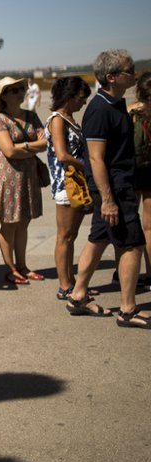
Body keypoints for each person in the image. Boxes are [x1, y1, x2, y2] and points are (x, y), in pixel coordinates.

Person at [67, 50, 147, 328]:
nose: (134, 74)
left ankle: (78, 295)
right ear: (111, 77)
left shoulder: (115, 104)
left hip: (116, 187)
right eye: (129, 70)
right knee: (132, 245)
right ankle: (127, 309)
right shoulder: (100, 110)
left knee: (98, 238)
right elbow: (96, 158)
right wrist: (108, 200)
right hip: (114, 189)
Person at [0, 77, 47, 284]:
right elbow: (8, 150)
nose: (20, 93)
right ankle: (11, 268)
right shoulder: (0, 119)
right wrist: (31, 146)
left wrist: (22, 148)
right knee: (10, 222)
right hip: (8, 175)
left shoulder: (31, 115)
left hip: (28, 174)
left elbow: (45, 142)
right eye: (14, 91)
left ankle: (23, 266)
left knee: (24, 221)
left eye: (21, 89)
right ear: (3, 96)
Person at [45, 77, 92, 300]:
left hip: (75, 182)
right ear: (69, 97)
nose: (83, 103)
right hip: (67, 184)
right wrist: (89, 165)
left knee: (70, 236)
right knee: (64, 236)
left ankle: (71, 282)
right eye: (81, 99)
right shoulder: (57, 120)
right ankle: (64, 285)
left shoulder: (68, 118)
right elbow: (62, 155)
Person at [127, 72, 151, 287]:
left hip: (134, 171)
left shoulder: (131, 112)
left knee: (131, 224)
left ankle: (127, 272)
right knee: (150, 227)